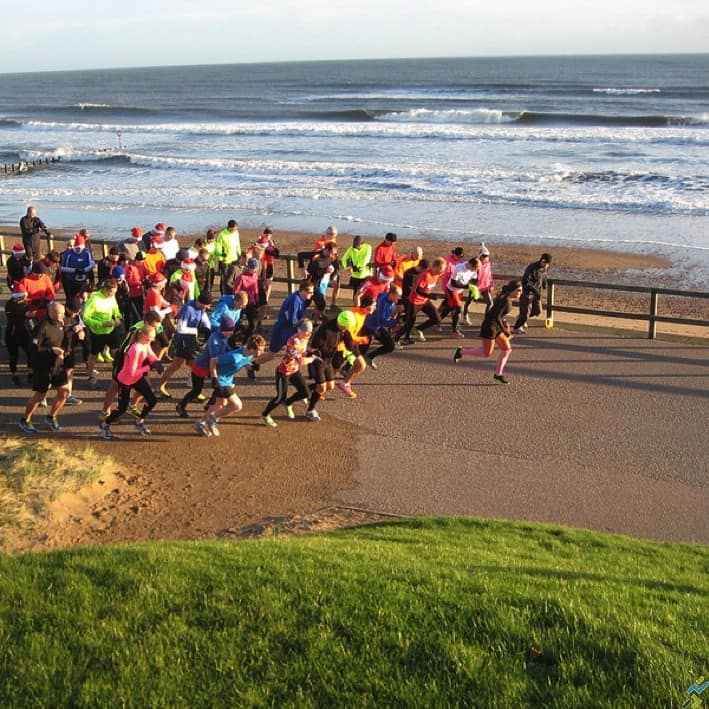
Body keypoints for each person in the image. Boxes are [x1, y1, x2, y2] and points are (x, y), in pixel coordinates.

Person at [194, 334, 267, 437]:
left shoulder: (249, 355)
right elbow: (213, 360)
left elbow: (244, 361)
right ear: (252, 349)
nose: (262, 352)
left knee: (220, 404)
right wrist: (214, 378)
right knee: (237, 405)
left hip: (228, 380)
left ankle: (200, 424)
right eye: (261, 349)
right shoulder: (234, 357)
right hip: (221, 381)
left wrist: (250, 366)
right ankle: (213, 418)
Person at [98, 325, 164, 439]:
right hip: (126, 380)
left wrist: (157, 362)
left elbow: (151, 355)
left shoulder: (145, 344)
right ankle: (105, 424)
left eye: (153, 338)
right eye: (150, 338)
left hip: (137, 378)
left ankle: (139, 421)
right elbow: (132, 372)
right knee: (122, 408)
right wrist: (149, 367)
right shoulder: (135, 349)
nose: (152, 340)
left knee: (152, 400)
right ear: (142, 336)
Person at [453, 280, 523, 384]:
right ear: (512, 290)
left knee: (507, 349)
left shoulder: (506, 298)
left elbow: (497, 314)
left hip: (496, 326)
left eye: (521, 291)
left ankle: (498, 375)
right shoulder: (505, 300)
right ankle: (461, 351)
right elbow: (496, 316)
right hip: (490, 327)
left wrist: (504, 322)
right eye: (518, 290)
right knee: (486, 353)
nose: (520, 293)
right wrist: (506, 331)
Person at [18, 301, 71, 433]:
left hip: (57, 365)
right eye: (60, 314)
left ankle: (51, 417)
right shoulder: (42, 326)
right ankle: (25, 420)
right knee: (40, 396)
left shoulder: (61, 323)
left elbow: (65, 341)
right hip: (42, 366)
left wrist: (62, 354)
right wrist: (51, 350)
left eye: (63, 313)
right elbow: (34, 347)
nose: (63, 316)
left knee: (64, 392)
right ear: (52, 313)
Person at [305, 309, 363, 419]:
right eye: (346, 327)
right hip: (318, 361)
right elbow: (314, 347)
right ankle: (310, 410)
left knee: (330, 386)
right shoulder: (325, 330)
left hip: (328, 361)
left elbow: (350, 345)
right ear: (341, 323)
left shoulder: (343, 330)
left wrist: (358, 355)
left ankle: (305, 389)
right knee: (321, 388)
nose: (347, 329)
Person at [260, 319, 317, 427]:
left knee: (306, 393)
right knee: (280, 397)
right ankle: (265, 415)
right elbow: (299, 360)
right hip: (284, 372)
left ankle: (288, 403)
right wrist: (312, 359)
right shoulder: (292, 341)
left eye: (310, 331)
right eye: (307, 332)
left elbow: (303, 352)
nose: (309, 334)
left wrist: (310, 353)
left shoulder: (306, 337)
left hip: (294, 370)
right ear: (300, 331)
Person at [176, 315, 236, 418]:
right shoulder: (215, 340)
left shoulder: (225, 336)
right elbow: (214, 358)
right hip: (201, 366)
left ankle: (210, 405)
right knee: (196, 390)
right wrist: (214, 377)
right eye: (229, 330)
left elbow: (226, 349)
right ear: (222, 329)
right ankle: (181, 405)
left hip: (209, 367)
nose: (231, 333)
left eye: (232, 330)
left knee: (219, 386)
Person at [158, 292, 212, 398]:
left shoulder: (201, 308)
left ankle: (194, 390)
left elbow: (204, 318)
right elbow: (180, 328)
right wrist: (198, 329)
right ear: (201, 303)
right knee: (191, 365)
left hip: (191, 340)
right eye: (207, 305)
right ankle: (195, 391)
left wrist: (208, 329)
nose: (207, 307)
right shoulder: (188, 309)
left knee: (182, 365)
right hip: (183, 340)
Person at [82, 278, 123, 388]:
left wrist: (118, 317)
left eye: (114, 292)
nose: (112, 295)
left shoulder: (112, 296)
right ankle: (91, 377)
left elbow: (115, 309)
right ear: (105, 289)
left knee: (117, 353)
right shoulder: (94, 299)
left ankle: (119, 376)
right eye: (111, 292)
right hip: (97, 333)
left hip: (111, 330)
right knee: (93, 355)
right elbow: (85, 318)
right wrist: (101, 324)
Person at [396, 256, 446, 344]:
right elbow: (418, 290)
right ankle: (395, 339)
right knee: (410, 321)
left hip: (425, 301)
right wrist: (430, 296)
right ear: (435, 267)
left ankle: (417, 329)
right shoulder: (426, 275)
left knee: (437, 318)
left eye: (443, 269)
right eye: (441, 269)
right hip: (414, 301)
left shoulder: (437, 274)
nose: (442, 271)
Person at [438, 257, 480, 337]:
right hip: (452, 290)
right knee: (458, 308)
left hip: (460, 291)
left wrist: (475, 290)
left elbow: (474, 280)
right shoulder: (459, 268)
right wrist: (468, 287)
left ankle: (437, 320)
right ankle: (454, 331)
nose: (474, 271)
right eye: (473, 269)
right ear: (470, 264)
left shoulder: (474, 269)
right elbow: (454, 283)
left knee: (450, 308)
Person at [512, 253, 552, 334]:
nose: (545, 265)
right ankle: (517, 327)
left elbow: (543, 276)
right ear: (542, 260)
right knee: (525, 313)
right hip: (528, 293)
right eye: (544, 263)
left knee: (538, 311)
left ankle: (521, 318)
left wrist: (544, 283)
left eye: (547, 264)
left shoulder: (544, 268)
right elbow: (525, 281)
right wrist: (534, 290)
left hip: (536, 294)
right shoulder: (532, 268)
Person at [5, 290, 33, 386]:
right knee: (13, 355)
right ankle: (14, 375)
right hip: (12, 333)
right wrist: (24, 315)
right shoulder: (9, 305)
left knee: (30, 352)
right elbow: (12, 318)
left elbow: (29, 318)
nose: (25, 300)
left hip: (24, 332)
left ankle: (30, 372)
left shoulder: (25, 303)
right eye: (23, 298)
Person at [463, 242, 494, 324]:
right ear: (480, 256)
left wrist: (491, 284)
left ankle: (487, 319)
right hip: (475, 286)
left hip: (485, 286)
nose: (485, 259)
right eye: (483, 257)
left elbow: (489, 274)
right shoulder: (475, 263)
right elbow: (469, 273)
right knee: (469, 301)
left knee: (490, 303)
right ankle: (465, 316)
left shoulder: (488, 263)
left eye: (486, 257)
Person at [60, 233, 96, 303]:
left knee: (84, 298)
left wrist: (84, 270)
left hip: (83, 280)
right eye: (77, 248)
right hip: (71, 280)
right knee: (72, 298)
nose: (79, 250)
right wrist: (74, 270)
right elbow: (62, 268)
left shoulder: (87, 252)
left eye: (81, 248)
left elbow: (92, 264)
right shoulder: (68, 254)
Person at [340, 235, 372, 304]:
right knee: (355, 293)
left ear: (362, 244)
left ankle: (364, 307)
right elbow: (344, 258)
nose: (355, 248)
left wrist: (358, 266)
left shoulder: (368, 247)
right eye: (354, 246)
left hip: (365, 275)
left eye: (357, 246)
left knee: (366, 292)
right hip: (355, 275)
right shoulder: (351, 248)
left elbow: (366, 259)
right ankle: (356, 307)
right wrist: (345, 266)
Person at [214, 220, 241, 293]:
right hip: (225, 261)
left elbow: (237, 244)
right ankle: (223, 295)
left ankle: (232, 293)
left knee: (234, 278)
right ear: (230, 228)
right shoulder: (222, 235)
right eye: (234, 228)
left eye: (236, 228)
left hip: (234, 259)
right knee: (225, 280)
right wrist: (221, 257)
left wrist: (239, 254)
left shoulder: (236, 233)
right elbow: (218, 248)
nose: (236, 230)